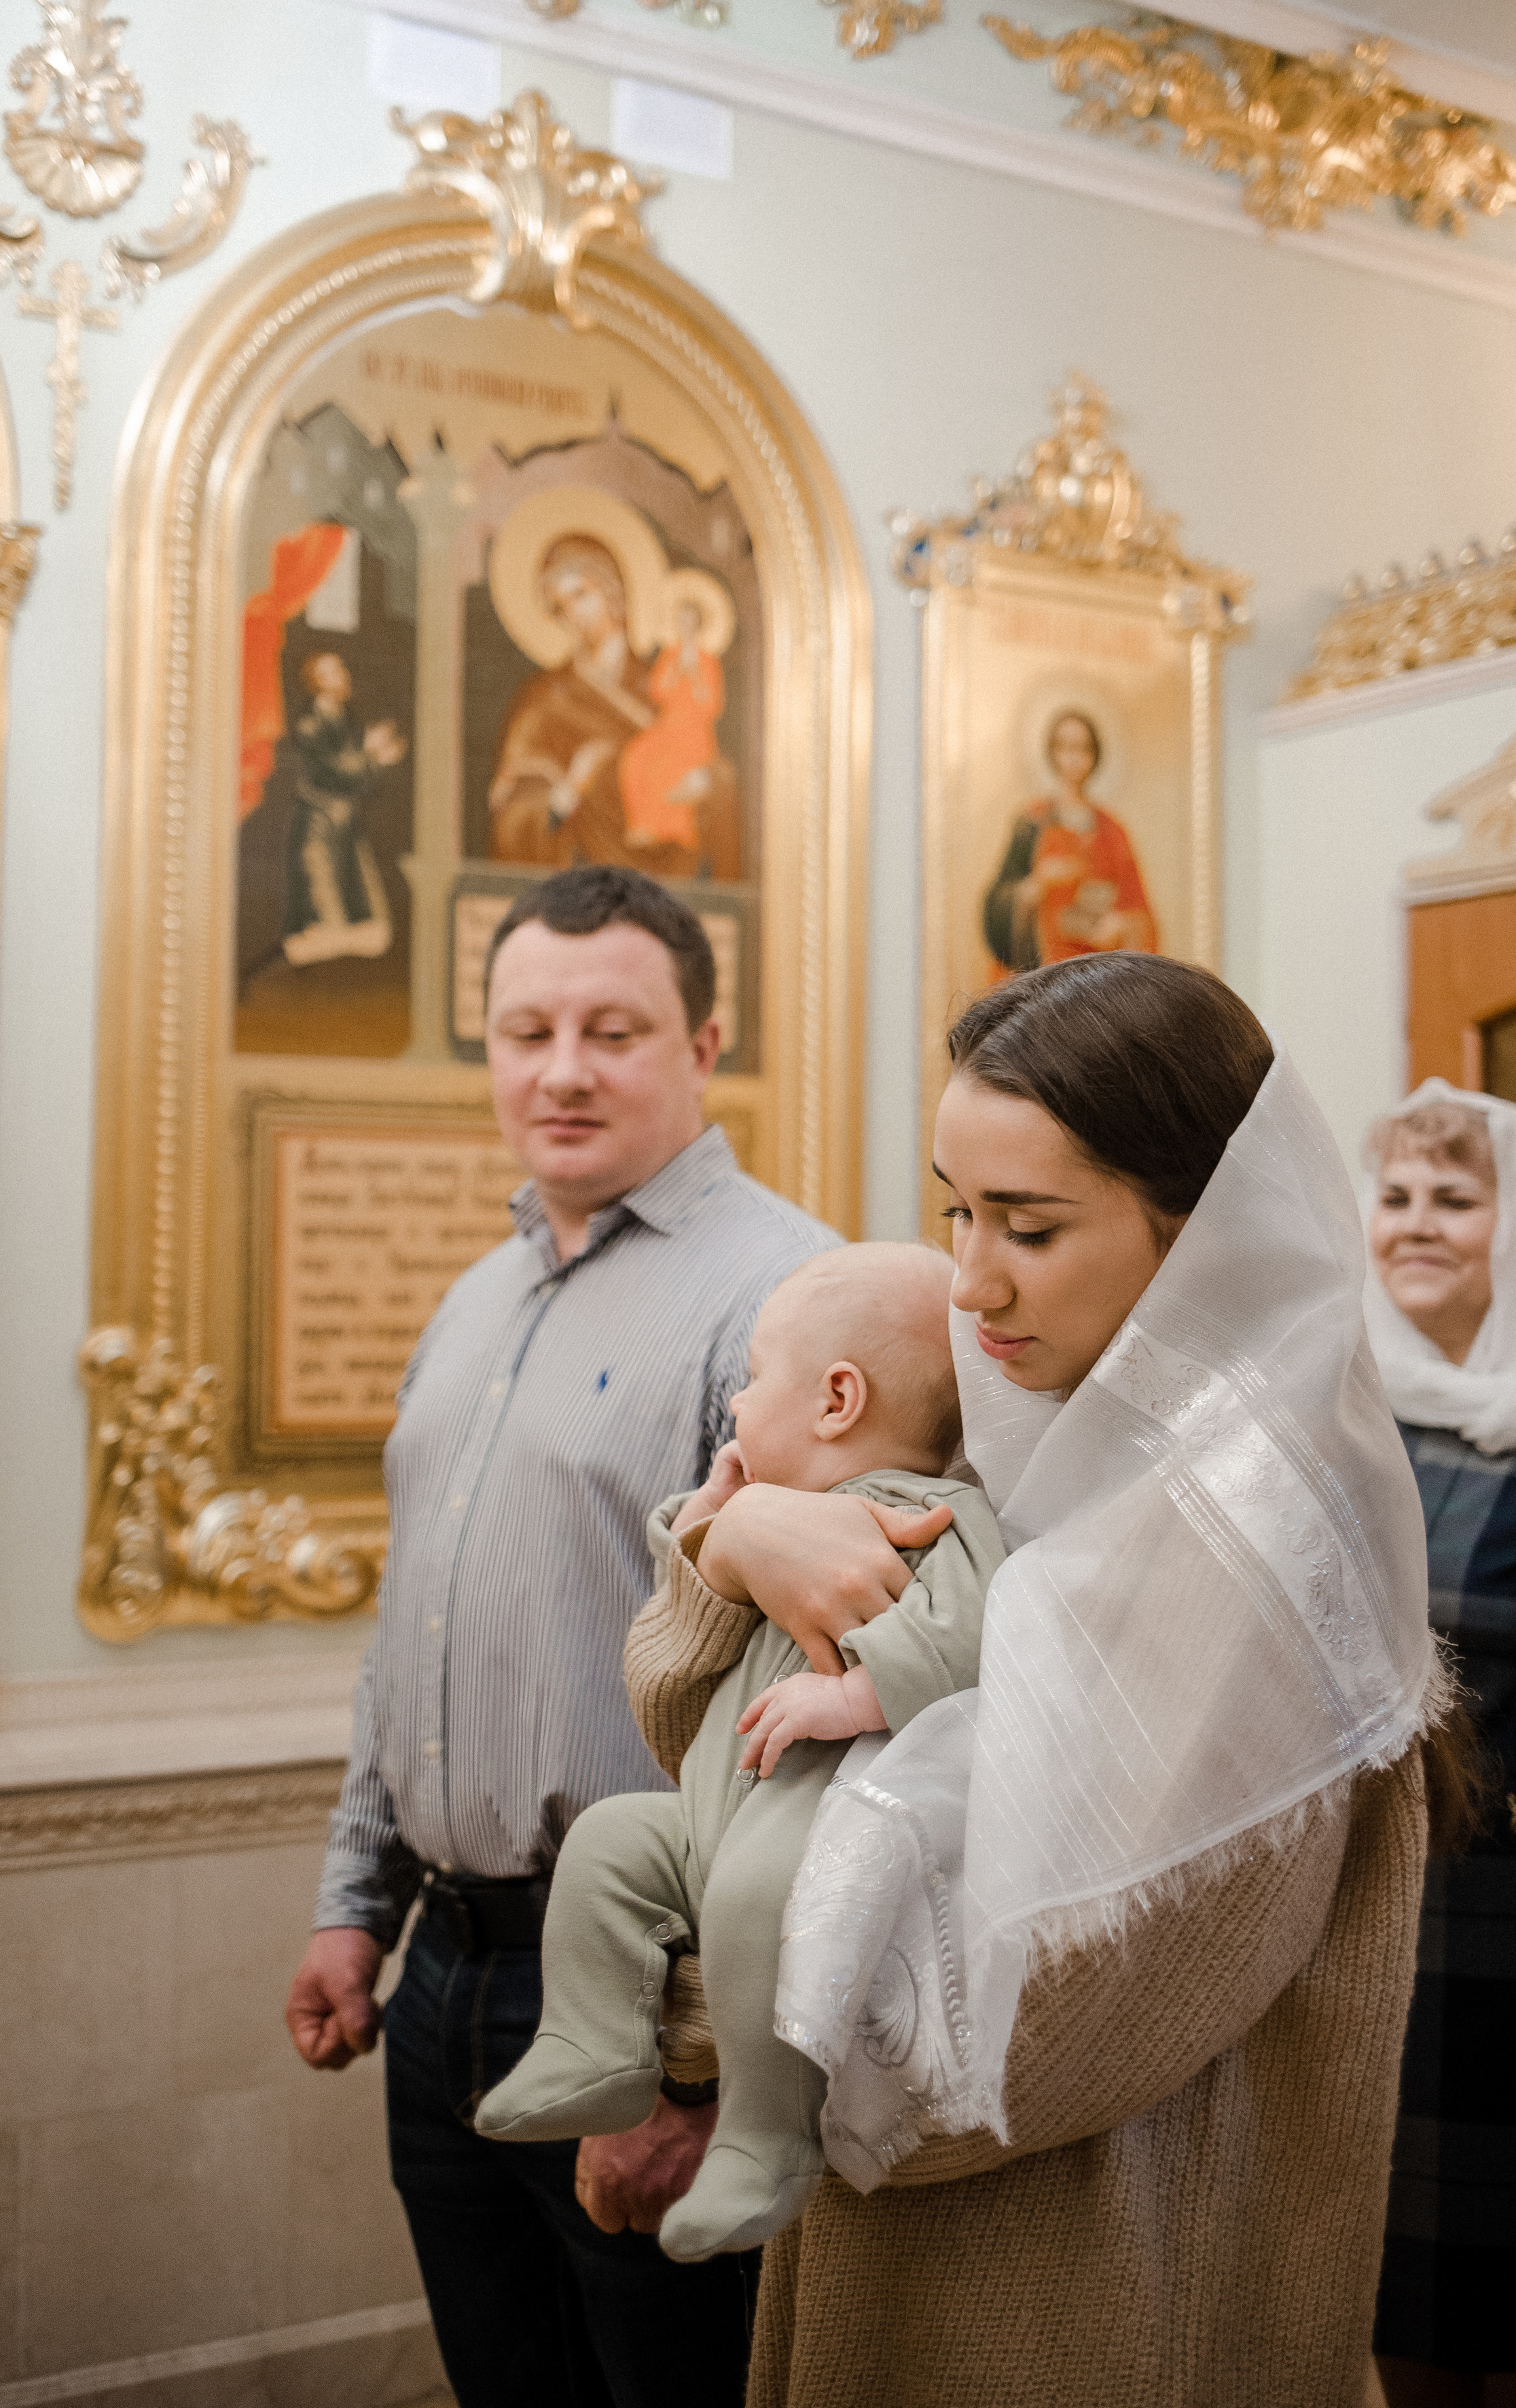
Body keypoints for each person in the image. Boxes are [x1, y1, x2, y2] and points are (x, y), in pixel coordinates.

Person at [621, 952, 1439, 2407]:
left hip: (1092, 2298)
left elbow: (1021, 2044)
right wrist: (738, 1534)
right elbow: (733, 1760)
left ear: (1200, 1232)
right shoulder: (1026, 1452)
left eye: (1028, 1225)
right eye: (954, 1208)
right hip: (929, 2265)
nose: (970, 1278)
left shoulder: (1248, 1538)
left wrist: (682, 2021)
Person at [283, 865, 878, 2408]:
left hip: (636, 1994)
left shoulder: (788, 1302)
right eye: (523, 1028)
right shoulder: (478, 1297)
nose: (560, 1069)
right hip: (442, 1974)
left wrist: (696, 2063)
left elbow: (819, 1713)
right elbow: (413, 1628)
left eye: (611, 1028)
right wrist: (357, 1903)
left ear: (705, 1037)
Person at [476, 1242, 1005, 2263]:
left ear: (838, 1399)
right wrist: (722, 1512)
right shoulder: (771, 1521)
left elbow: (980, 1639)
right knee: (612, 1840)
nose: (736, 1406)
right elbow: (679, 1654)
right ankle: (593, 2045)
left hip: (814, 1825)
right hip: (713, 1809)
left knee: (762, 1896)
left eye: (755, 1380)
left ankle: (767, 2136)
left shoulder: (934, 1517)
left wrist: (855, 1693)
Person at [1364, 1081, 1516, 2405]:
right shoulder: (1355, 1415)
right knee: (1388, 2304)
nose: (1412, 1225)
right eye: (1393, 1196)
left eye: (1452, 1201)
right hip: (1375, 1916)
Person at [488, 537, 741, 880]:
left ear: (613, 590)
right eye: (561, 607)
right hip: (584, 882)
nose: (575, 614)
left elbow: (709, 758)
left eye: (581, 594)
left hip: (673, 873)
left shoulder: (665, 682)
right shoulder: (548, 699)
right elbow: (513, 813)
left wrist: (705, 782)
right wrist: (571, 788)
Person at [981, 708, 1155, 976]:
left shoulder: (1113, 831)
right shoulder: (1032, 824)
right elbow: (999, 902)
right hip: (1043, 971)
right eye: (1064, 747)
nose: (1073, 758)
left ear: (1094, 756)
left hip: (1099, 972)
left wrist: (1120, 925)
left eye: (1082, 749)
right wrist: (1038, 883)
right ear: (1052, 754)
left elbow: (1139, 911)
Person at [282, 649, 408, 966]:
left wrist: (371, 755)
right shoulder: (311, 723)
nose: (344, 676)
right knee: (323, 900)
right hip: (319, 823)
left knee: (362, 908)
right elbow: (331, 772)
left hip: (345, 823)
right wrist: (373, 756)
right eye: (335, 671)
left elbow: (359, 777)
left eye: (342, 669)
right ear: (319, 683)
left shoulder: (344, 719)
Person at [620, 596, 727, 857]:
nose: (686, 628)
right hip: (667, 727)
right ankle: (642, 825)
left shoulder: (708, 661)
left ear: (698, 626)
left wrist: (696, 675)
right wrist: (677, 669)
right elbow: (658, 692)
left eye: (691, 623)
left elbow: (712, 706)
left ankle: (671, 830)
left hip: (694, 733)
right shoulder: (670, 655)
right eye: (682, 623)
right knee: (635, 757)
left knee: (667, 769)